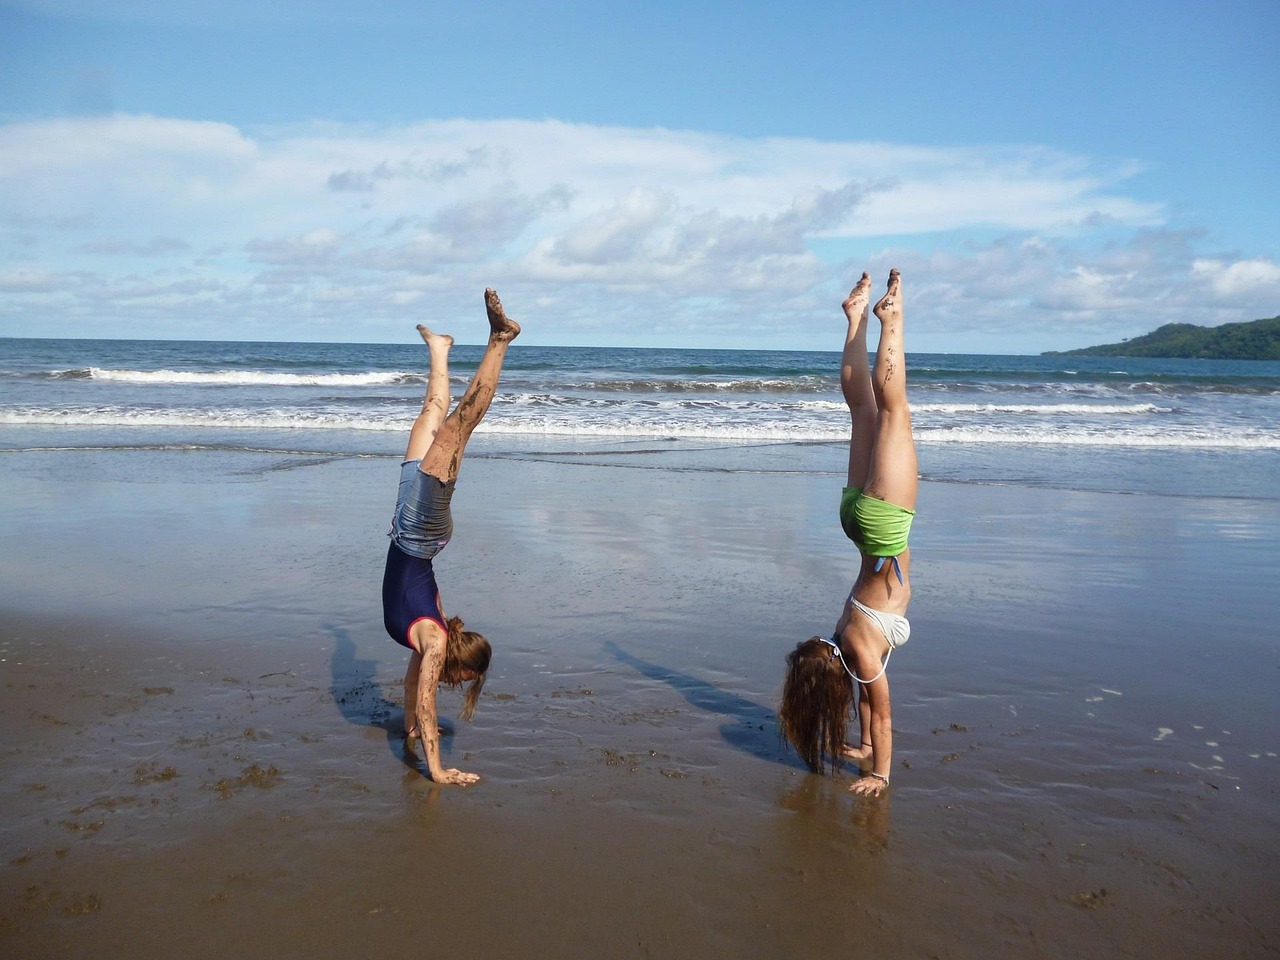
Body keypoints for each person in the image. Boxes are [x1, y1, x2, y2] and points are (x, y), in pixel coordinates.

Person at [779, 269, 917, 797]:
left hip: (882, 526)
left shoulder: (858, 656)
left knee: (892, 411)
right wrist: (862, 751)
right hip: (856, 526)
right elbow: (865, 703)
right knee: (863, 411)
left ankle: (890, 321)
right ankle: (856, 319)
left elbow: (882, 716)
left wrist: (880, 772)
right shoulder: (847, 648)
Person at [381, 287, 520, 785]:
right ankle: (500, 340)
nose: (456, 687)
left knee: (432, 414)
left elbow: (414, 690)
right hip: (419, 530)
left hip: (406, 522)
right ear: (462, 669)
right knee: (459, 425)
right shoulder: (434, 638)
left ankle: (440, 348)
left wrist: (411, 734)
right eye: (465, 682)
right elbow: (424, 699)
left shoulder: (430, 644)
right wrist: (437, 771)